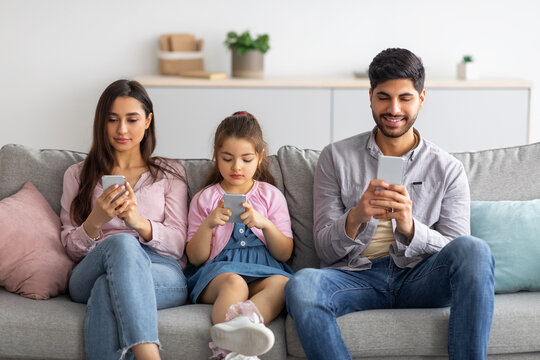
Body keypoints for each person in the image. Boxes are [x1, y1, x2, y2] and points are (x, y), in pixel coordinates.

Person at [285, 48, 495, 360]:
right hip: (356, 277)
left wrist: (411, 228)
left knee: (476, 249)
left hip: (418, 277)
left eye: (405, 98)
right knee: (302, 284)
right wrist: (356, 215)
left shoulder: (447, 168)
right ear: (370, 96)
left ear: (421, 98)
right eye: (383, 97)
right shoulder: (336, 157)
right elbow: (325, 249)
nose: (393, 108)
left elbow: (458, 251)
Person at [60, 79, 188, 360]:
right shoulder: (77, 175)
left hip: (161, 271)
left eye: (132, 119)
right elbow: (70, 247)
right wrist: (96, 220)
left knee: (108, 287)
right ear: (101, 123)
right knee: (120, 243)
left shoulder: (170, 174)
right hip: (91, 268)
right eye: (113, 120)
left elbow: (180, 244)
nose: (121, 130)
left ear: (147, 121)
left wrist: (138, 222)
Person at [186, 111, 294, 360]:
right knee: (235, 283)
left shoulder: (270, 195)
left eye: (246, 159)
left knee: (283, 284)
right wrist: (208, 225)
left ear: (260, 157)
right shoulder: (205, 198)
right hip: (220, 273)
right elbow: (195, 258)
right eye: (227, 159)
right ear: (216, 157)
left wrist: (264, 224)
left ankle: (241, 340)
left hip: (263, 269)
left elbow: (284, 253)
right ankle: (230, 350)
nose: (236, 167)